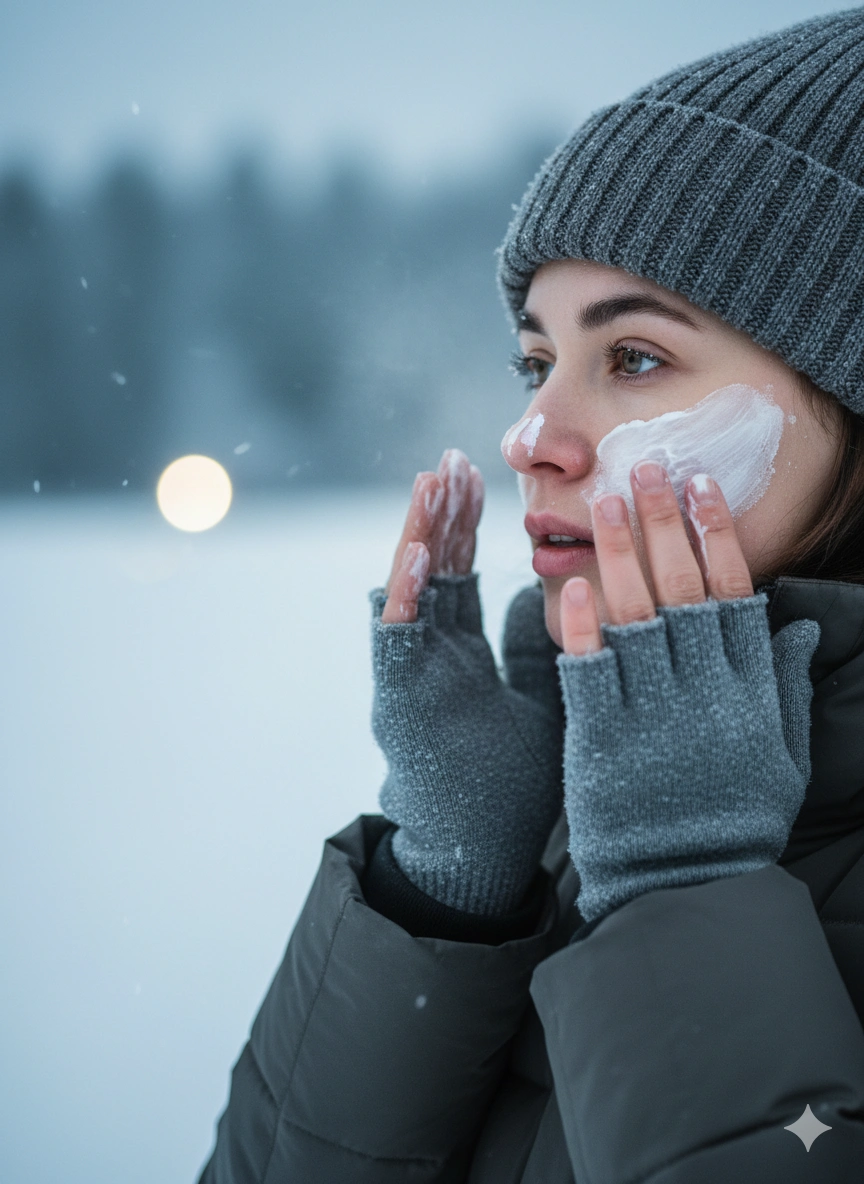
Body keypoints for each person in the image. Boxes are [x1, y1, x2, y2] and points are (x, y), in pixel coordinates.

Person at [198, 9, 864, 1181]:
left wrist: (685, 890)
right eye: (536, 361)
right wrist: (448, 884)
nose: (530, 437)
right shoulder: (575, 784)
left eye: (637, 357)